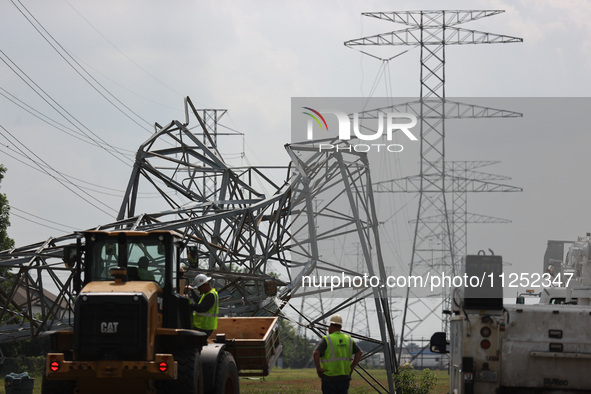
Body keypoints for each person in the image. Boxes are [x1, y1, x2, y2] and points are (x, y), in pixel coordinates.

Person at [313, 314, 362, 394]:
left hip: (329, 377)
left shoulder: (327, 339)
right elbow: (359, 353)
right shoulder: (348, 339)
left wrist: (318, 369)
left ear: (331, 325)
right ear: (340, 327)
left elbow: (316, 353)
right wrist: (351, 367)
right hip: (344, 377)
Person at [188, 273, 219, 338]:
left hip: (203, 327)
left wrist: (189, 304)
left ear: (205, 285)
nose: (199, 290)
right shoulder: (208, 294)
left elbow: (201, 308)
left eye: (199, 287)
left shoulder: (210, 295)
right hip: (203, 327)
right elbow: (198, 300)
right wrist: (192, 290)